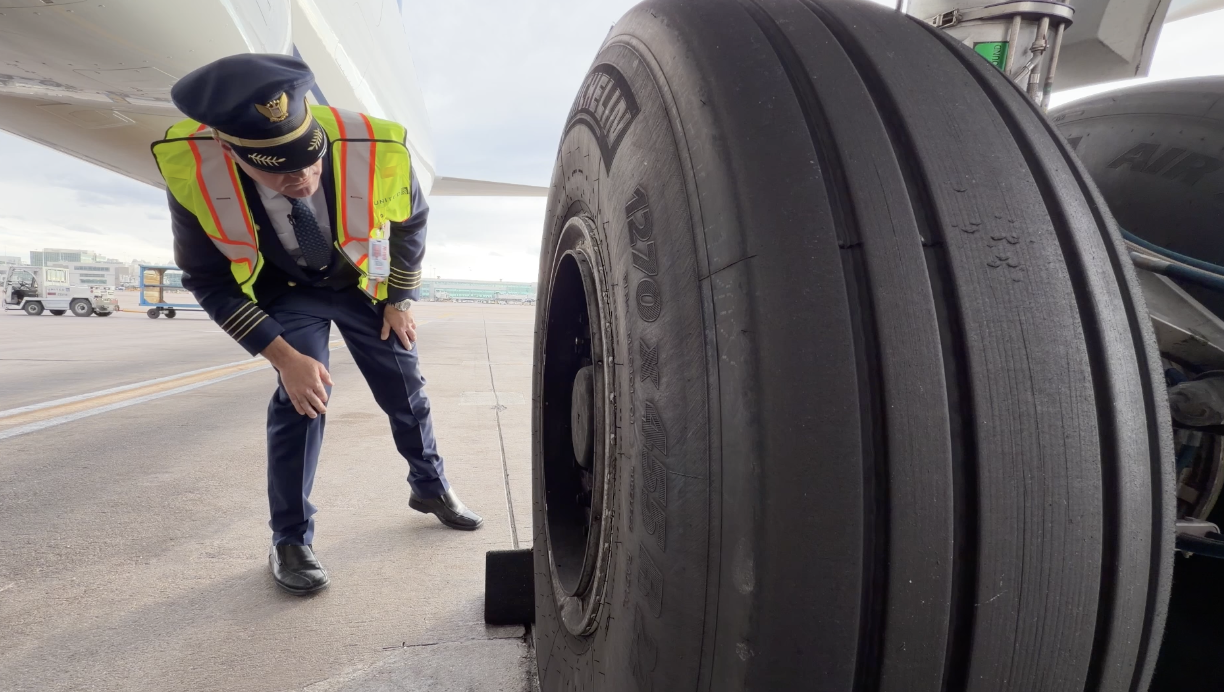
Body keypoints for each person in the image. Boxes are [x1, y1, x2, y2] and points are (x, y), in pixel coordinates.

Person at [153, 54, 483, 596]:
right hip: (285, 289)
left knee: (406, 387)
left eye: (311, 160)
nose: (304, 179)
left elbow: (411, 221)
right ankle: (289, 538)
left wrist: (400, 297)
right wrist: (285, 359)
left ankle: (429, 486)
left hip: (361, 282)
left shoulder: (372, 145)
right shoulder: (194, 171)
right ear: (229, 149)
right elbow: (208, 280)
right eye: (281, 171)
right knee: (302, 401)